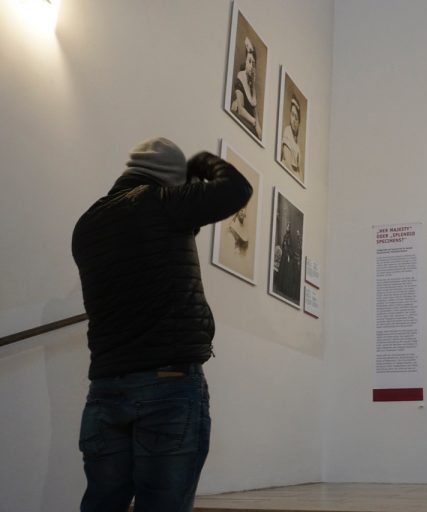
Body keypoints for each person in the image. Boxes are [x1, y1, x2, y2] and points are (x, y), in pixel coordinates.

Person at [71, 137, 253, 512]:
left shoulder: (86, 224)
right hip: (167, 386)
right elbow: (238, 189)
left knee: (102, 503)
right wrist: (203, 163)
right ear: (171, 178)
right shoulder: (162, 203)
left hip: (104, 390)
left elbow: (148, 255)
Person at [230, 36, 262, 139]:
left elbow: (254, 109)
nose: (251, 66)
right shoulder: (240, 78)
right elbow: (241, 109)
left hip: (250, 120)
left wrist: (259, 126)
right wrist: (254, 121)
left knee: (258, 135)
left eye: (253, 63)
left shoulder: (252, 81)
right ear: (246, 61)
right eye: (249, 61)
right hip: (242, 116)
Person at [280, 96, 301, 175]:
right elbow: (288, 163)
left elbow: (299, 169)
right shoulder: (287, 131)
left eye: (296, 117)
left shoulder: (297, 144)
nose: (294, 120)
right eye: (292, 115)